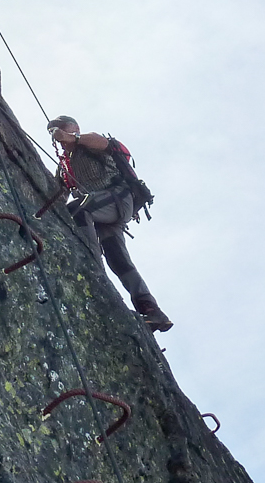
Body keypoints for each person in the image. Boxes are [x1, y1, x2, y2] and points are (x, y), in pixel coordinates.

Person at [46, 115, 173, 333]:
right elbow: (59, 195)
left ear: (75, 128)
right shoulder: (65, 166)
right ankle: (152, 310)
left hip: (117, 198)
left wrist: (72, 137)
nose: (58, 135)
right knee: (118, 259)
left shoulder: (88, 143)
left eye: (61, 129)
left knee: (78, 210)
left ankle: (90, 263)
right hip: (102, 212)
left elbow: (102, 142)